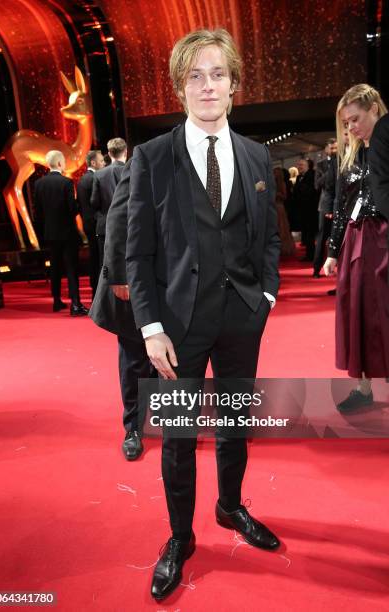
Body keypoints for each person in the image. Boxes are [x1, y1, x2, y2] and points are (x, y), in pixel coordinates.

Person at [126, 29, 281, 601]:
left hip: (242, 317)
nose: (207, 85)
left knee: (237, 424)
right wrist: (149, 326)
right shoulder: (152, 157)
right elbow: (136, 251)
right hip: (176, 326)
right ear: (180, 87)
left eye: (217, 74)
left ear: (234, 85)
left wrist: (265, 296)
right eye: (195, 75)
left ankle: (230, 505)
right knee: (177, 437)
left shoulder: (256, 154)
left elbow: (267, 238)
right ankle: (179, 536)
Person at [324, 84, 389, 411]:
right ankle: (363, 388)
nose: (350, 127)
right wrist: (333, 251)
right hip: (355, 243)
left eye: (355, 119)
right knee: (357, 313)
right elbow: (340, 203)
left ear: (374, 109)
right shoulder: (349, 156)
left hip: (384, 238)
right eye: (346, 122)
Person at [90, 159, 155, 460]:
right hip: (135, 280)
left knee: (175, 356)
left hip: (176, 282)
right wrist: (118, 276)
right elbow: (118, 219)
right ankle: (134, 427)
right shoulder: (148, 160)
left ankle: (170, 421)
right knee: (134, 357)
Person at [34, 150, 88, 316]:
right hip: (67, 233)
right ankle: (76, 304)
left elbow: (38, 212)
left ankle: (56, 301)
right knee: (71, 268)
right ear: (59, 163)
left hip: (50, 233)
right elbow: (72, 210)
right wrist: (80, 205)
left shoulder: (39, 184)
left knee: (55, 268)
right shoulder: (66, 182)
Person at [90, 138, 127, 269]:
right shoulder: (135, 170)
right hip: (130, 225)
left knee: (106, 266)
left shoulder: (99, 175)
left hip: (106, 226)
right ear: (126, 152)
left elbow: (94, 202)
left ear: (109, 154)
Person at [76, 150, 104, 300]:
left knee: (93, 258)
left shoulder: (81, 180)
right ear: (93, 163)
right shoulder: (96, 178)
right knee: (99, 258)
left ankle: (95, 292)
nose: (104, 163)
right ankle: (99, 293)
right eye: (101, 161)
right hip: (97, 224)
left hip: (87, 224)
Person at [312, 138, 338, 277]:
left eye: (336, 148)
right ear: (326, 149)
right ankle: (316, 269)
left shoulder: (343, 161)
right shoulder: (321, 165)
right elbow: (317, 185)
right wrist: (331, 170)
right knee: (322, 238)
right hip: (325, 205)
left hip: (340, 204)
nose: (334, 151)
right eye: (332, 148)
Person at [293, 158, 319, 261]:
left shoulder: (312, 175)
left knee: (310, 234)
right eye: (298, 165)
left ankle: (312, 256)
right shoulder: (299, 177)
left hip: (311, 210)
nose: (299, 167)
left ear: (308, 166)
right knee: (306, 234)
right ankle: (309, 255)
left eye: (302, 165)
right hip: (302, 210)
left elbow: (311, 192)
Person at [273, 166, 295, 256]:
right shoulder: (272, 184)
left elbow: (284, 196)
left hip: (279, 208)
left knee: (282, 231)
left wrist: (276, 195)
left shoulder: (282, 184)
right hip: (276, 208)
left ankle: (282, 250)